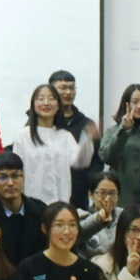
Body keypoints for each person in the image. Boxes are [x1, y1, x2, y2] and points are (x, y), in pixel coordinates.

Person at [11, 84, 97, 206]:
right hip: (32, 204)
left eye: (51, 99)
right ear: (33, 105)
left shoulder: (65, 136)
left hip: (61, 204)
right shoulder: (23, 136)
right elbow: (16, 171)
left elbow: (80, 162)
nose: (46, 103)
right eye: (41, 99)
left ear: (58, 106)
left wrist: (87, 139)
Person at [49, 70, 103, 211]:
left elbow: (97, 161)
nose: (69, 92)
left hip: (78, 197)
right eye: (63, 88)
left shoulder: (86, 124)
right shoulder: (43, 123)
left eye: (72, 88)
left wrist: (86, 182)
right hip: (47, 195)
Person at [98, 84, 140, 211]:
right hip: (120, 199)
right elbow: (106, 157)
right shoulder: (113, 131)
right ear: (126, 104)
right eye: (135, 102)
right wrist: (123, 130)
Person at [0, 152, 49, 266]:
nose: (10, 183)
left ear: (23, 177)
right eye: (2, 177)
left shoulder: (41, 210)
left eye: (15, 176)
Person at [76, 171, 123, 260]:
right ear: (91, 194)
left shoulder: (124, 216)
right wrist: (99, 220)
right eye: (102, 193)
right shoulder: (81, 216)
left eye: (112, 193)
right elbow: (78, 234)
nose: (107, 198)